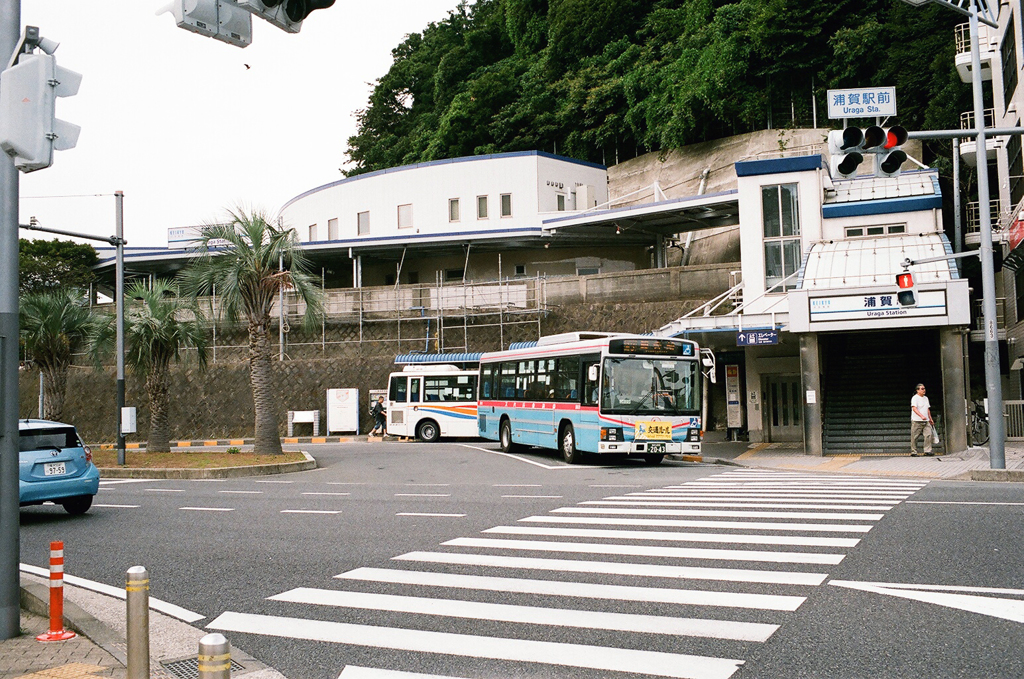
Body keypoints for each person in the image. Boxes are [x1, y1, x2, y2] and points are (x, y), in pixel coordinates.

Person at [910, 383, 935, 456]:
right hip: (916, 421)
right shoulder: (915, 398)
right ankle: (913, 452)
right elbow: (914, 408)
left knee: (928, 435)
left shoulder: (926, 398)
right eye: (922, 389)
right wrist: (921, 416)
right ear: (917, 390)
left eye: (924, 388)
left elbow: (927, 409)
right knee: (914, 437)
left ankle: (927, 450)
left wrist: (930, 419)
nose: (924, 390)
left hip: (926, 421)